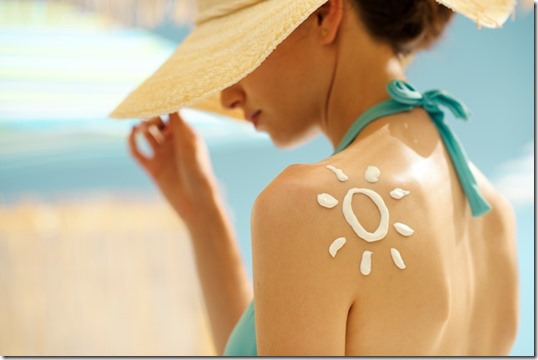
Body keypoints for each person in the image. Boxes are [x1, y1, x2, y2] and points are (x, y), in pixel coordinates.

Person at [113, 0, 519, 355]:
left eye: (241, 51)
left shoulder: (305, 207)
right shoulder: (494, 216)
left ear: (325, 14)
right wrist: (204, 215)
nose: (227, 97)